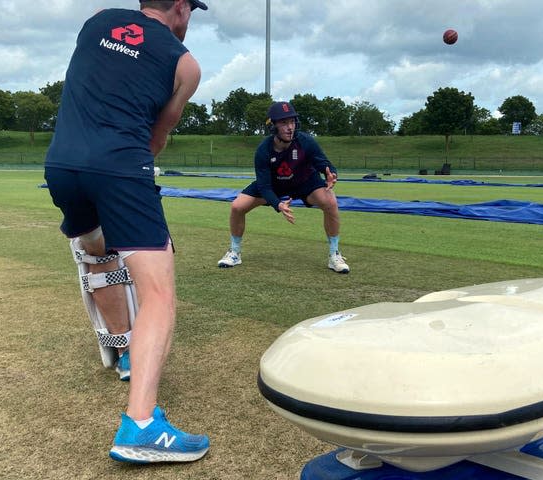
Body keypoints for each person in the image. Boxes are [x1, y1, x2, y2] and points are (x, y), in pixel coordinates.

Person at [44, 0, 210, 464]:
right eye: (190, 11)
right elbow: (156, 138)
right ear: (180, 7)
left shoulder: (97, 22)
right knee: (158, 291)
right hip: (120, 165)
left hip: (60, 164)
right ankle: (141, 426)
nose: (188, 20)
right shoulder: (187, 64)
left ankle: (121, 341)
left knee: (97, 249)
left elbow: (91, 81)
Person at [217, 101, 350, 273]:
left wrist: (331, 174)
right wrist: (278, 204)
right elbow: (264, 187)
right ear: (273, 126)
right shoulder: (263, 150)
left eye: (292, 122)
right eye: (284, 123)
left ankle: (334, 255)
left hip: (304, 182)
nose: (290, 127)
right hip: (274, 186)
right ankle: (234, 252)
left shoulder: (306, 142)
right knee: (237, 206)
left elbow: (324, 164)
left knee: (330, 201)